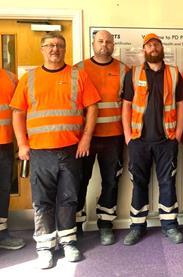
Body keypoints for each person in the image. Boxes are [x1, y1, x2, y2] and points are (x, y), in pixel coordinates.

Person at [11, 32, 100, 269]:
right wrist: (22, 144)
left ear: (65, 49)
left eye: (60, 45)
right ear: (42, 49)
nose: (55, 49)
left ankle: (68, 241)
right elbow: (18, 113)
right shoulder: (28, 78)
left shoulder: (77, 75)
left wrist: (86, 139)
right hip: (40, 152)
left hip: (71, 151)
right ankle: (45, 246)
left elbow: (92, 108)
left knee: (69, 198)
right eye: (50, 45)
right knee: (43, 201)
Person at [121, 33, 183, 245]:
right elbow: (127, 106)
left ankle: (169, 226)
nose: (153, 48)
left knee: (167, 183)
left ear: (162, 48)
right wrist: (128, 137)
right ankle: (137, 227)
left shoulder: (174, 74)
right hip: (139, 141)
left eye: (156, 44)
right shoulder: (133, 73)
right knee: (139, 183)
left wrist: (177, 136)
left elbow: (181, 105)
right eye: (149, 45)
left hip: (166, 141)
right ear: (144, 50)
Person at [74, 30, 129, 245]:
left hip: (113, 137)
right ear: (93, 43)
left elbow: (128, 104)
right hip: (84, 138)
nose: (104, 45)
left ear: (113, 44)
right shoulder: (79, 69)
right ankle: (76, 224)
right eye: (100, 41)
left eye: (108, 41)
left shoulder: (123, 69)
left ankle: (105, 224)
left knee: (111, 182)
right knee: (79, 181)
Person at [0, 68, 25, 250]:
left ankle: (1, 234)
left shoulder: (10, 78)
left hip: (5, 144)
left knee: (3, 189)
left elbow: (20, 111)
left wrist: (22, 142)